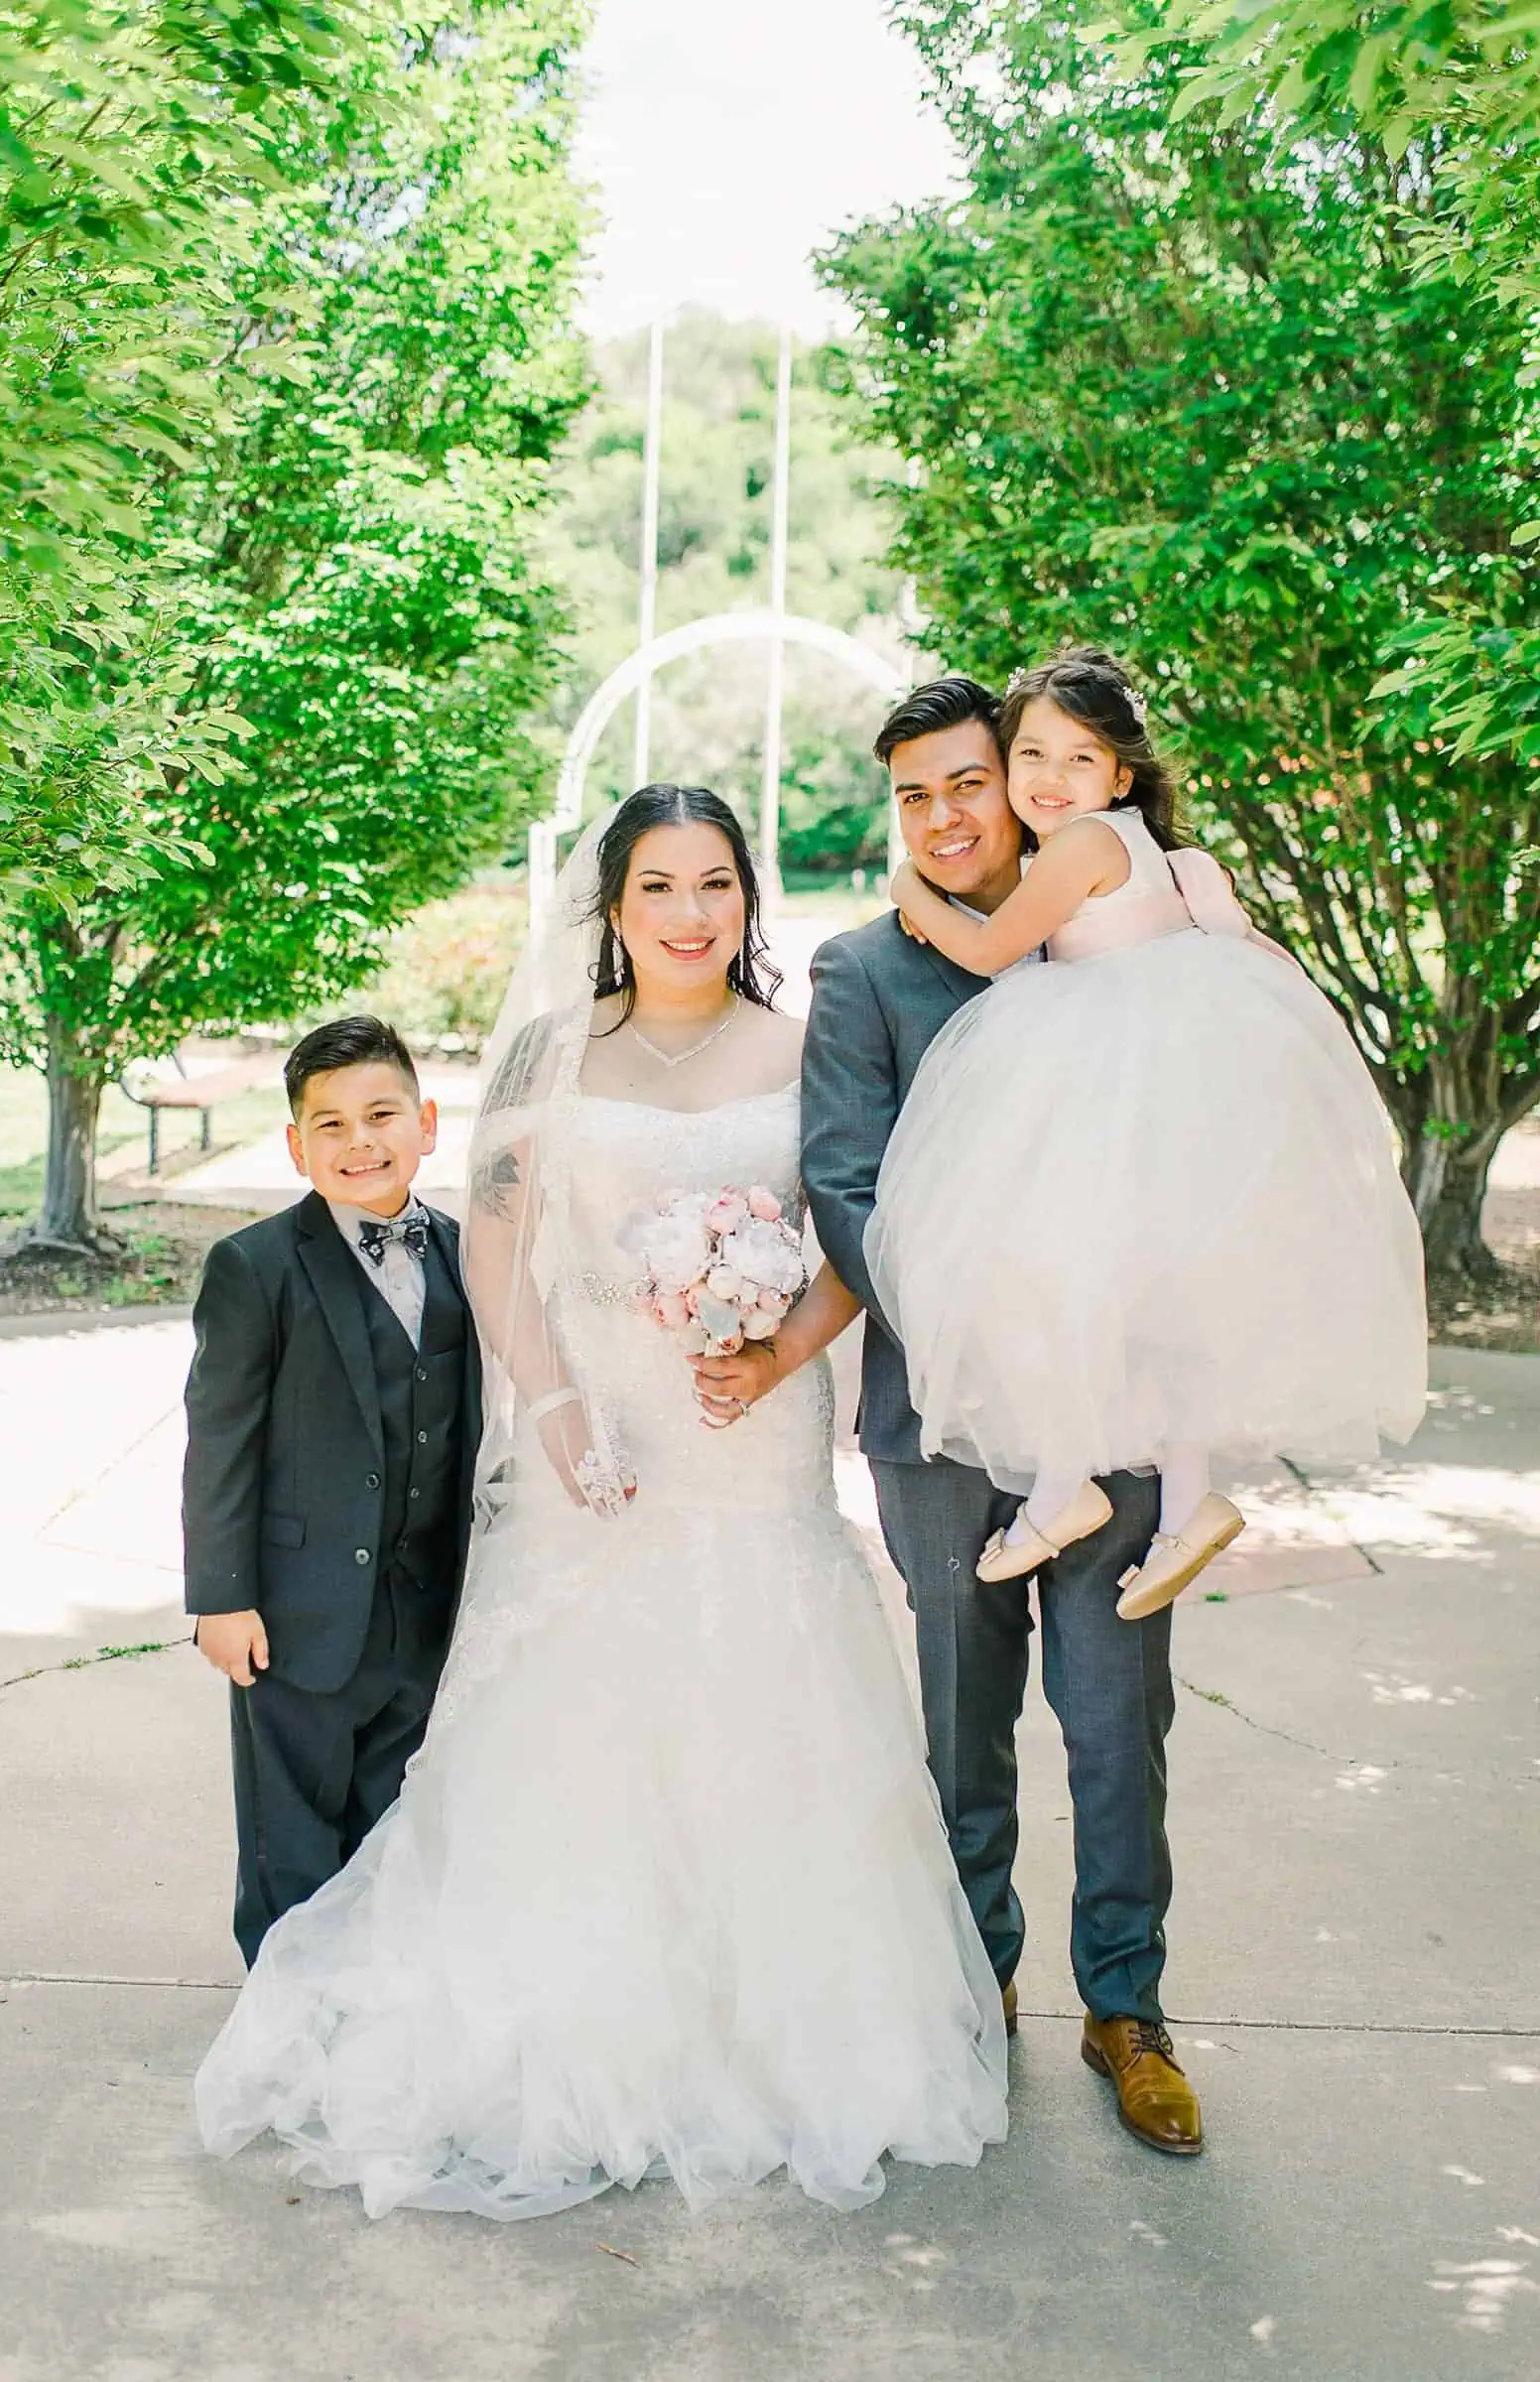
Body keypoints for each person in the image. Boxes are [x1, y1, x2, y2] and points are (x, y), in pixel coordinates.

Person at [192, 786, 1007, 2220]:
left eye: (715, 886)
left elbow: (855, 1230)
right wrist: (558, 1412)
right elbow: (499, 1247)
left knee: (769, 1712)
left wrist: (775, 1355)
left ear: (749, 897)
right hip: (604, 1448)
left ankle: (776, 2033)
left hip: (753, 1443)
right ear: (612, 908)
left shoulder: (805, 1045)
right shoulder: (543, 1052)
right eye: (658, 889)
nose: (691, 917)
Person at [763, 672, 1204, 2156]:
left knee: (1115, 1719)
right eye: (916, 795)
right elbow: (846, 1187)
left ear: (1018, 784)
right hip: (944, 1423)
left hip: (1109, 1408)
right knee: (967, 1721)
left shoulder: (1104, 937)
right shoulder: (863, 974)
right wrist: (977, 1332)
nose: (947, 815)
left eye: (969, 781)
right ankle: (972, 1990)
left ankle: (1127, 2009)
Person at [866, 647, 1427, 1622]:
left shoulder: (1084, 846)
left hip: (1112, 1074)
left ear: (1120, 775)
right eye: (1029, 754)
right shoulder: (1124, 847)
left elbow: (995, 948)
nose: (1047, 779)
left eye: (1077, 760)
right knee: (1145, 1308)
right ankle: (1179, 1500)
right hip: (1150, 1077)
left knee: (1053, 1278)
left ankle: (1066, 1488)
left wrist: (911, 892)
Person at [183, 1015, 482, 1969]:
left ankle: (370, 2018)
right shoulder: (256, 1267)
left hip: (424, 1607)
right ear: (295, 1144)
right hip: (294, 1611)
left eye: (382, 1115)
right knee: (291, 1834)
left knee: (393, 1824)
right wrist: (220, 1597)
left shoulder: (470, 1255)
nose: (361, 1143)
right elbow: (220, 1440)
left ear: (427, 1123)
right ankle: (285, 2021)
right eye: (332, 1126)